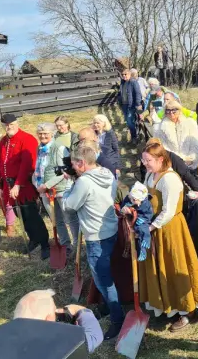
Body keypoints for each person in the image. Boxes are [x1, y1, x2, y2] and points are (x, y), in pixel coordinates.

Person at [136, 139, 198, 331]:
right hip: (154, 228)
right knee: (159, 267)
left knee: (175, 266)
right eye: (144, 160)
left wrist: (151, 227)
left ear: (160, 159)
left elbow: (168, 210)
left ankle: (187, 311)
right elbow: (143, 192)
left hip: (170, 229)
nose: (145, 164)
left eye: (148, 160)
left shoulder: (170, 179)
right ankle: (166, 305)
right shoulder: (151, 174)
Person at [62, 142, 123, 339]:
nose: (72, 168)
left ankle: (117, 319)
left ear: (81, 163)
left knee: (103, 280)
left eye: (74, 164)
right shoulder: (106, 172)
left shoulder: (84, 182)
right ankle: (107, 305)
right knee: (105, 274)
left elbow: (69, 206)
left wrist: (67, 189)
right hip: (110, 229)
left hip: (95, 236)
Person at [0, 114, 50, 258]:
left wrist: (18, 184)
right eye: (6, 125)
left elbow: (27, 164)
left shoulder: (27, 139)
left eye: (11, 124)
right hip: (9, 185)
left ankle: (45, 244)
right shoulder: (3, 141)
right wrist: (1, 185)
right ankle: (33, 238)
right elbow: (1, 163)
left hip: (24, 185)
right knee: (19, 215)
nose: (9, 127)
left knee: (31, 214)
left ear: (17, 123)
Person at [34, 123, 78, 255]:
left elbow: (65, 170)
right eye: (40, 133)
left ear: (52, 133)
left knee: (69, 217)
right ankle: (65, 245)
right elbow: (38, 169)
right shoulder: (39, 149)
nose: (43, 136)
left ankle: (77, 244)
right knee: (56, 219)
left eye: (46, 133)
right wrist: (37, 185)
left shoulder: (60, 148)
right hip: (45, 192)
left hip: (61, 189)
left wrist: (47, 185)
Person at [13, 289, 103, 353]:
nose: (56, 311)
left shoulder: (12, 343)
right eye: (54, 310)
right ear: (48, 319)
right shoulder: (65, 342)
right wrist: (80, 310)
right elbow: (95, 336)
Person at [156, 100, 198, 182]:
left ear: (179, 110)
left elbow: (196, 145)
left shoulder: (190, 123)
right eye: (168, 110)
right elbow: (163, 148)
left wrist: (190, 160)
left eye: (174, 110)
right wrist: (177, 162)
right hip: (172, 167)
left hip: (190, 165)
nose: (171, 113)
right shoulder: (161, 127)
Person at [118, 69, 143, 143]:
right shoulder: (122, 82)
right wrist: (119, 99)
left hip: (131, 105)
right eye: (122, 74)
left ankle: (134, 137)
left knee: (129, 121)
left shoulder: (133, 82)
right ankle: (135, 134)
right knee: (129, 120)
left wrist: (138, 104)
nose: (124, 76)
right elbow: (121, 92)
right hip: (124, 105)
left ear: (129, 74)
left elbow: (138, 93)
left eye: (126, 74)